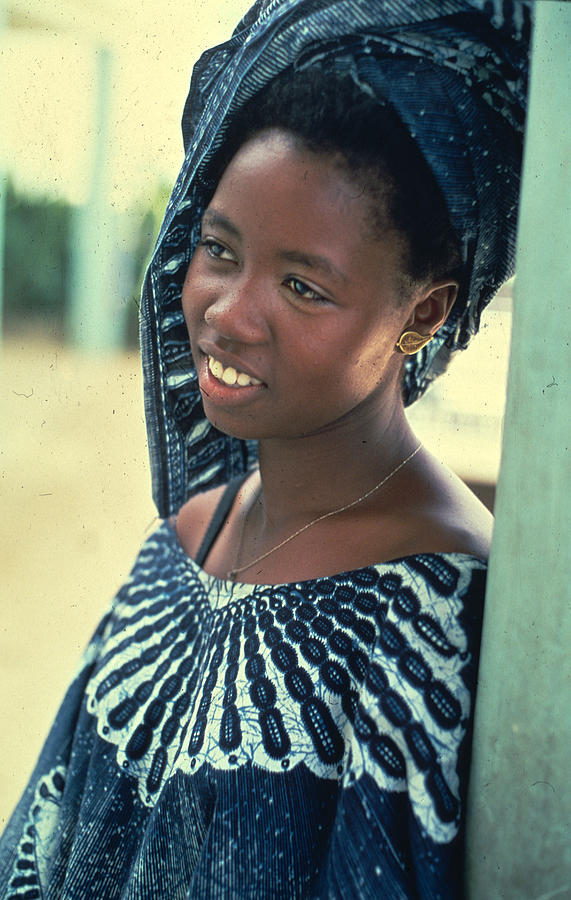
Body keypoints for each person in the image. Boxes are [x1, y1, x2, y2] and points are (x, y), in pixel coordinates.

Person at [0, 1, 531, 898]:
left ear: (424, 314)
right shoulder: (185, 540)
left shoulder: (434, 613)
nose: (227, 313)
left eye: (300, 283)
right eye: (217, 249)